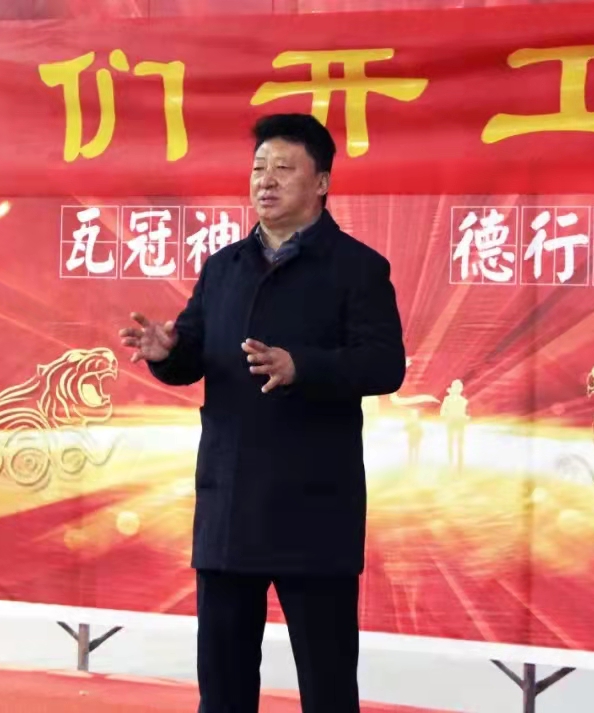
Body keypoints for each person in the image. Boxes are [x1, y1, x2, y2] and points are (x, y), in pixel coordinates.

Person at [119, 113, 406, 713]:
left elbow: (385, 366)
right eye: (258, 168)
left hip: (314, 507)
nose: (265, 181)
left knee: (327, 687)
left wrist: (303, 367)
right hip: (230, 504)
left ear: (321, 183)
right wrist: (167, 354)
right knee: (223, 687)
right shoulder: (224, 267)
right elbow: (195, 354)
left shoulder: (358, 268)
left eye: (283, 168)